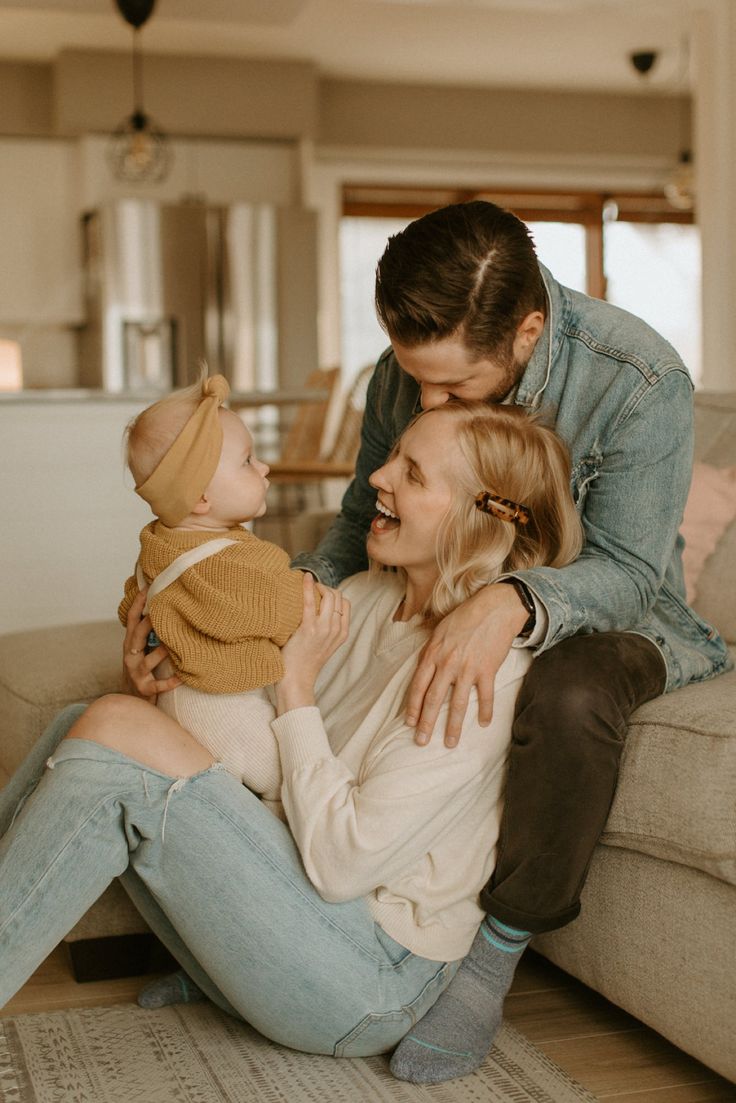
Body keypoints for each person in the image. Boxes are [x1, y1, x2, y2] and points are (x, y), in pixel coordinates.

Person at [279, 200, 732, 1083]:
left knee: (564, 688)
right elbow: (354, 524)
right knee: (373, 628)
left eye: (452, 390)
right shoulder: (402, 371)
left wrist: (511, 601)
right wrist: (282, 601)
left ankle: (492, 955)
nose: (427, 402)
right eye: (417, 383)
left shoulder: (639, 377)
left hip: (626, 615)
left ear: (526, 333)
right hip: (465, 582)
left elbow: (633, 571)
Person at [0, 400, 582, 1065]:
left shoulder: (485, 671)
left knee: (113, 730)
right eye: (392, 456)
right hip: (297, 908)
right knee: (88, 722)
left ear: (476, 515)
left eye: (412, 473)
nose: (375, 479)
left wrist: (297, 688)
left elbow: (341, 866)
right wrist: (157, 683)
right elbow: (239, 740)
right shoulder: (363, 598)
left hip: (366, 979)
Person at [118, 370, 307, 796]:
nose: (264, 466)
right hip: (225, 710)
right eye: (247, 461)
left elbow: (131, 606)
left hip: (172, 703)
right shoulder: (240, 561)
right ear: (201, 498)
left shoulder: (157, 544)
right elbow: (285, 613)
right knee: (287, 783)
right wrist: (320, 598)